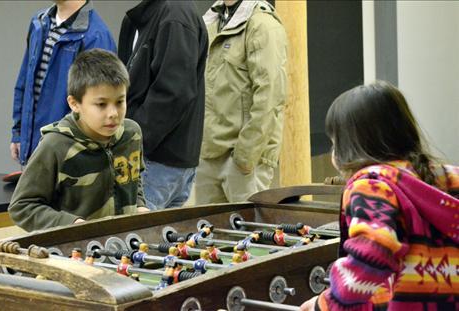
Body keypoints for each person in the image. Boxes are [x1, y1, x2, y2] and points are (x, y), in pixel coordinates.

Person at [300, 81, 459, 311]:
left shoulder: (370, 184)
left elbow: (373, 253)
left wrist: (325, 304)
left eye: (335, 142)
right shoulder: (447, 176)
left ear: (351, 146)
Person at [9, 49, 148, 232]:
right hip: (73, 254)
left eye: (120, 102)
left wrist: (139, 205)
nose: (113, 113)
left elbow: (133, 179)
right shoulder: (55, 145)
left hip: (123, 249)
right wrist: (71, 225)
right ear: (74, 104)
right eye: (101, 104)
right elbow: (22, 206)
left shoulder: (132, 134)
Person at [117, 0, 208, 210]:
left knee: (133, 239)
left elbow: (174, 93)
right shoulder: (150, 14)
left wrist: (134, 143)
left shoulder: (175, 14)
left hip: (156, 163)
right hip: (158, 162)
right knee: (153, 240)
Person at [196, 0, 288, 204]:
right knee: (208, 234)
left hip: (242, 160)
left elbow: (270, 95)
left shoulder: (262, 23)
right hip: (208, 155)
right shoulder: (211, 19)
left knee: (249, 233)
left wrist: (245, 156)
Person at [11, 0, 116, 166]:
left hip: (67, 162)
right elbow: (25, 82)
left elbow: (98, 107)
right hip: (34, 154)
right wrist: (18, 133)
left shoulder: (96, 36)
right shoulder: (39, 22)